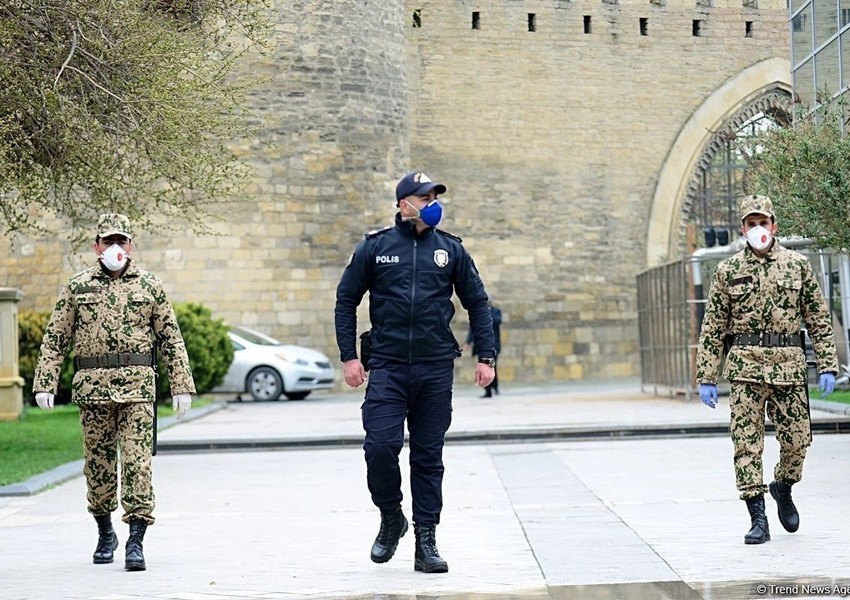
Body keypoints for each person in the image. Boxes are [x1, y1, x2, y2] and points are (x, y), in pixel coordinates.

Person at [334, 171, 496, 573]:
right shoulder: (376, 247)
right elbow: (345, 300)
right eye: (424, 197)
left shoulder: (450, 250)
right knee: (380, 448)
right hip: (387, 366)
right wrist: (349, 357)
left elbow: (477, 301)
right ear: (404, 204)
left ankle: (427, 541)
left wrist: (487, 357)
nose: (432, 203)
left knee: (428, 456)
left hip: (434, 366)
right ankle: (391, 517)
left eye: (435, 196)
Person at [32, 213, 196, 571]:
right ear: (97, 246)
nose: (115, 247)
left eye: (122, 241)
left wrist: (182, 385)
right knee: (99, 467)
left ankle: (136, 541)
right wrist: (45, 381)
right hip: (93, 392)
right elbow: (56, 338)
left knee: (138, 465)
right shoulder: (77, 287)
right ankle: (105, 532)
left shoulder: (150, 286)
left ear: (131, 246)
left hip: (138, 391)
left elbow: (171, 338)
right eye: (109, 241)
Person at [696, 195, 838, 545]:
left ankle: (783, 486)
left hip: (789, 367)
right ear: (742, 228)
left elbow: (818, 320)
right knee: (747, 445)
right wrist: (706, 376)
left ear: (774, 225)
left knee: (798, 441)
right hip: (745, 369)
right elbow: (713, 325)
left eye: (763, 222)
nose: (757, 228)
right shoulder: (728, 271)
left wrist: (827, 366)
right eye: (751, 223)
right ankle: (757, 517)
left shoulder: (797, 266)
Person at [464, 300, 502, 397]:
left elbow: (497, 321)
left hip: (494, 345)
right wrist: (468, 342)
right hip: (481, 346)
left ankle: (495, 387)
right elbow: (473, 328)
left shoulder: (495, 311)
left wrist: (486, 314)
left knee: (492, 366)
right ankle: (488, 390)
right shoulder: (477, 314)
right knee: (485, 366)